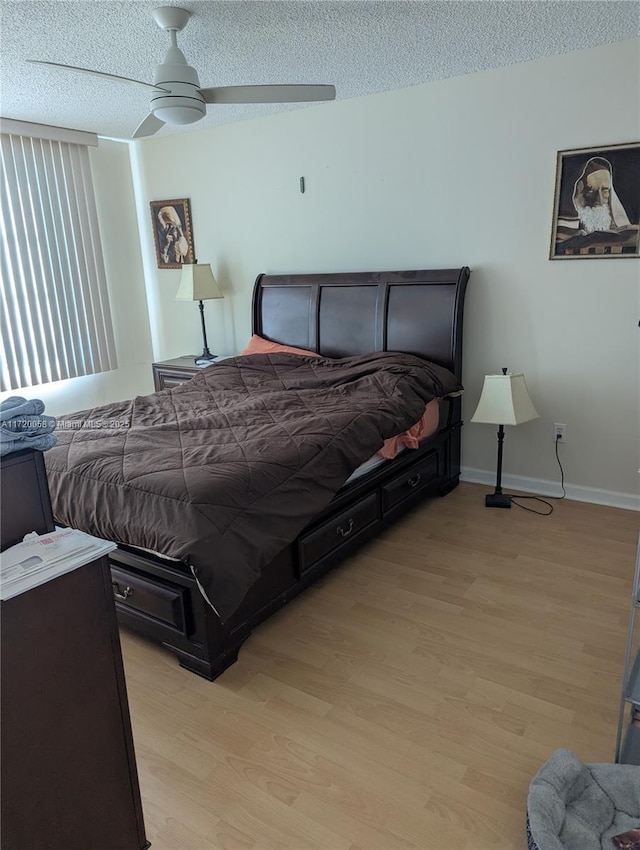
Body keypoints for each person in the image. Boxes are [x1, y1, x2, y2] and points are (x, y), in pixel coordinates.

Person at [571, 156, 631, 235]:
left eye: (605, 190)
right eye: (591, 191)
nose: (600, 199)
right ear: (578, 191)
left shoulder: (614, 222)